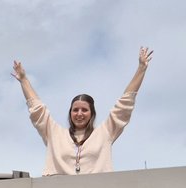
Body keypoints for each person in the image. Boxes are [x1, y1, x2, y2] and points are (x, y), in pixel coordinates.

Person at [12, 47, 154, 176]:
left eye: (84, 110)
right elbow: (37, 110)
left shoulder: (105, 132)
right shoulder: (54, 134)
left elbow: (124, 105)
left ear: (92, 113)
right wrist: (24, 80)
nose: (79, 113)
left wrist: (141, 69)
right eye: (75, 110)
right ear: (70, 113)